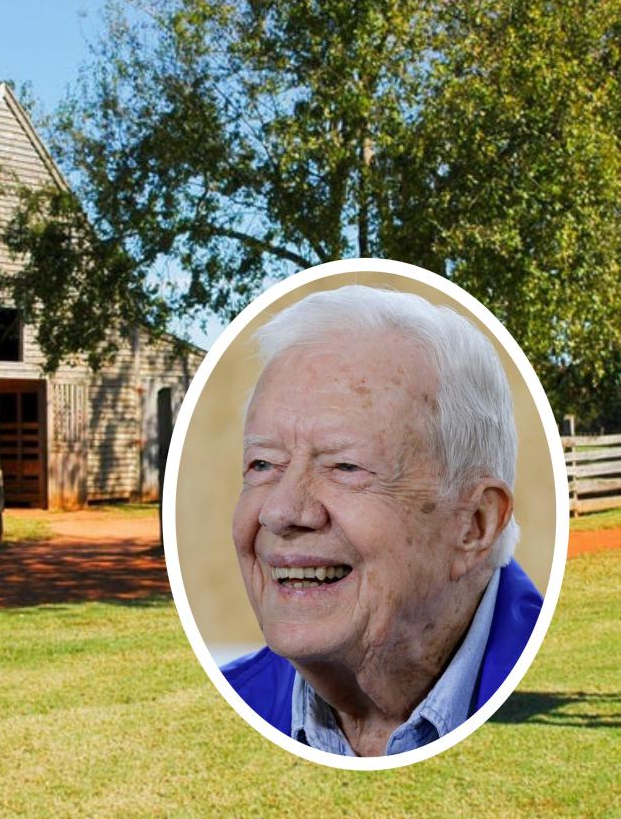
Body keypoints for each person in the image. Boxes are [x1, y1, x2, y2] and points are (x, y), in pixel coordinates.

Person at [222, 285, 543, 757]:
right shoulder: (236, 699)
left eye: (345, 468)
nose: (281, 511)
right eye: (263, 465)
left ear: (475, 524)